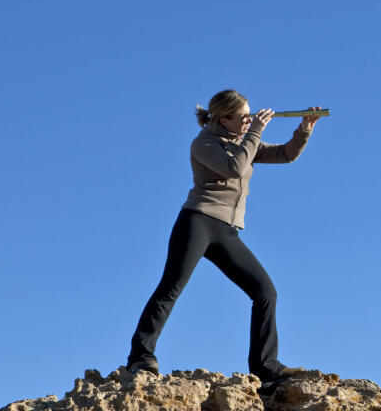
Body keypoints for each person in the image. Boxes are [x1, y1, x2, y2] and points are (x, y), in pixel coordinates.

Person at [126, 89, 322, 383]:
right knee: (171, 288)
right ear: (223, 118)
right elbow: (233, 168)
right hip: (198, 222)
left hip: (227, 231)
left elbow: (285, 154)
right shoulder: (203, 143)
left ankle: (266, 368)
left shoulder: (243, 142)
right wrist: (254, 132)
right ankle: (140, 357)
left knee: (265, 291)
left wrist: (304, 129)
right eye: (244, 117)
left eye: (250, 115)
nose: (249, 120)